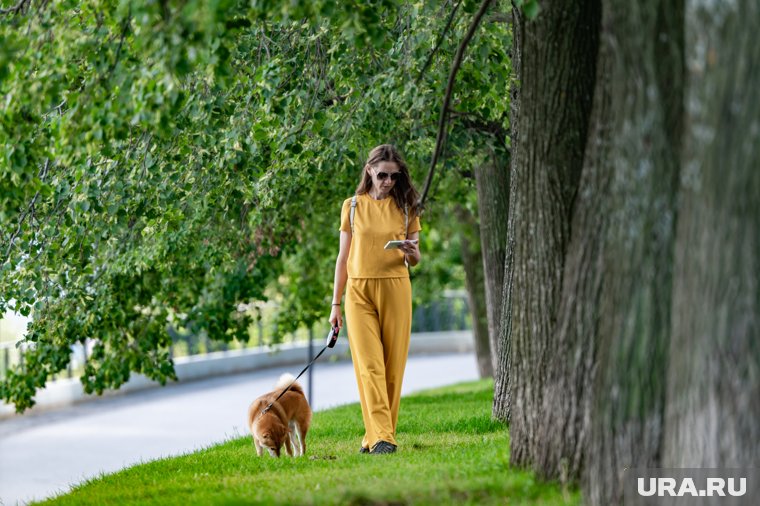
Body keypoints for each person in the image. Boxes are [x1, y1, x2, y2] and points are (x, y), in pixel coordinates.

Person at [329, 144, 422, 455]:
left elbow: (416, 257)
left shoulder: (408, 207)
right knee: (369, 367)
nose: (388, 182)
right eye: (382, 175)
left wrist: (412, 253)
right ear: (369, 170)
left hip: (396, 288)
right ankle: (384, 438)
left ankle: (376, 438)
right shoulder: (352, 206)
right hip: (358, 292)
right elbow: (343, 258)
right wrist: (335, 304)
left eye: (394, 177)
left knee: (392, 368)